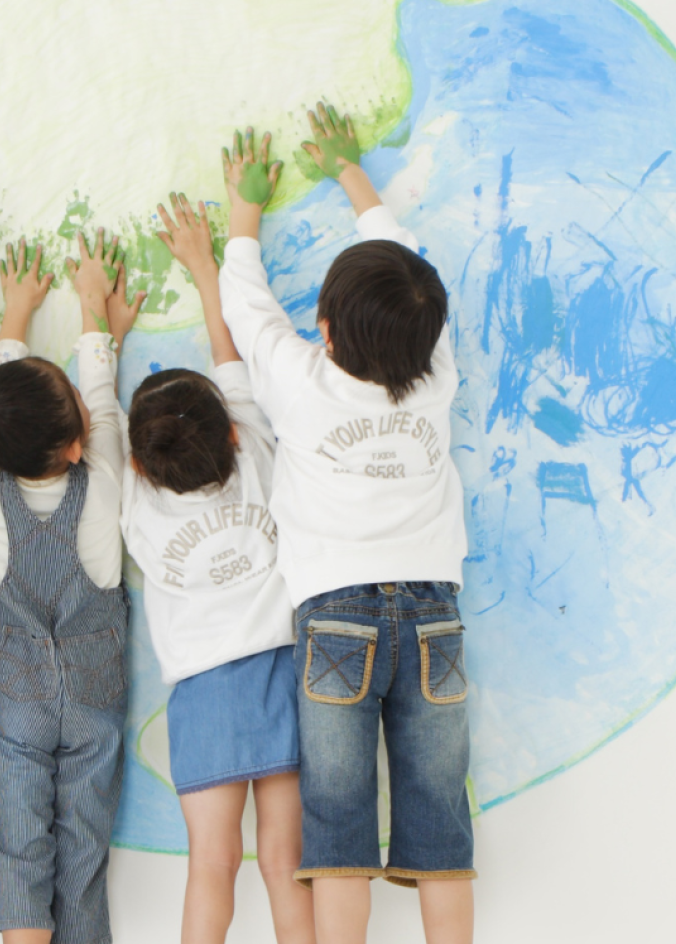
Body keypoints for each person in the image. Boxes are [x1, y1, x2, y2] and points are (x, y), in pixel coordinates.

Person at [217, 105, 475, 944]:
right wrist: (355, 177)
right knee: (439, 814)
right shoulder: (435, 373)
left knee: (337, 823)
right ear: (427, 333)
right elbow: (415, 273)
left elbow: (248, 309)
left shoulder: (298, 382)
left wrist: (245, 215)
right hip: (433, 611)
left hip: (334, 618)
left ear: (323, 331)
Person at [0, 227, 144, 944]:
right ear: (76, 442)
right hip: (95, 708)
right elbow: (103, 400)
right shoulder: (102, 485)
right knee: (83, 860)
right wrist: (93, 310)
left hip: (16, 713)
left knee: (20, 857)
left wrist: (13, 310)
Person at [120, 193, 314, 944]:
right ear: (233, 433)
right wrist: (207, 270)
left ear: (137, 464)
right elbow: (229, 351)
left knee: (212, 864)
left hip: (201, 691)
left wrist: (102, 324)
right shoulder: (259, 455)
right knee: (285, 860)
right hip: (281, 671)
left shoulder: (134, 502)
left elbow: (102, 425)